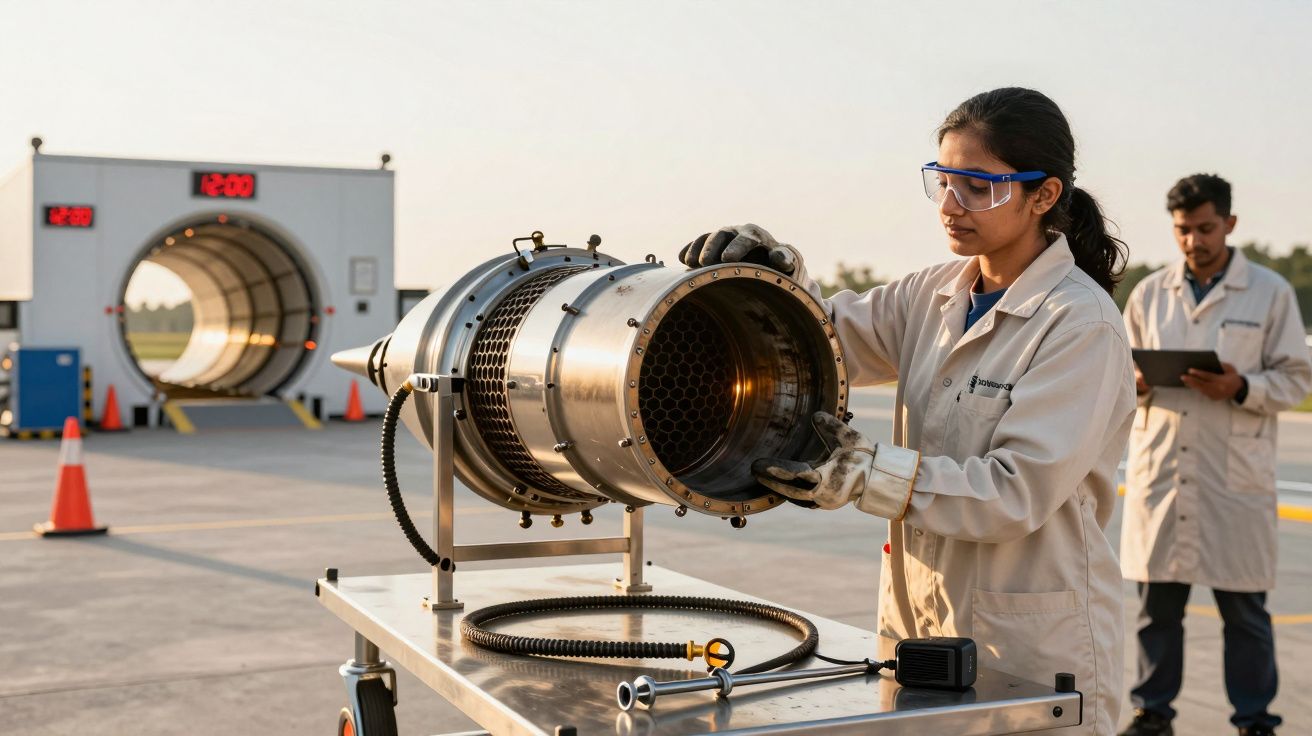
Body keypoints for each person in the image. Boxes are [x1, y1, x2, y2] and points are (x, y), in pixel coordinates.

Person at [678, 87, 1135, 735]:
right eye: (944, 181)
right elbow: (821, 339)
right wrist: (773, 277)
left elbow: (1015, 492)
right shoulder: (932, 295)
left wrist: (867, 475)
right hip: (922, 631)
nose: (952, 205)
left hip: (1034, 649)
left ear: (1045, 195)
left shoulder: (1078, 323)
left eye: (979, 186)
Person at [1118, 174, 1311, 736]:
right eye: (1183, 231)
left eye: (1205, 229)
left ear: (1229, 223)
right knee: (1158, 611)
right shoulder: (1150, 292)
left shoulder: (1269, 292)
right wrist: (1137, 382)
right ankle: (1152, 714)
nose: (1193, 242)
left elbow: (1296, 380)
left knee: (1245, 613)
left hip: (1234, 478)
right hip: (1164, 471)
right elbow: (1119, 376)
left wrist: (1241, 387)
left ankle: (1255, 721)